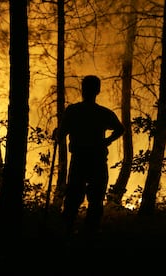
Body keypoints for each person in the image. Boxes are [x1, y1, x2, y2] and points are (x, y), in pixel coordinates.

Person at [56, 75, 124, 237]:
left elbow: (62, 133)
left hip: (80, 160)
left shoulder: (73, 111)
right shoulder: (102, 113)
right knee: (95, 199)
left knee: (73, 198)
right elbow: (120, 129)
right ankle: (89, 234)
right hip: (97, 161)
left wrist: (58, 134)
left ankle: (67, 232)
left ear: (83, 90)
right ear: (98, 91)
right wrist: (107, 141)